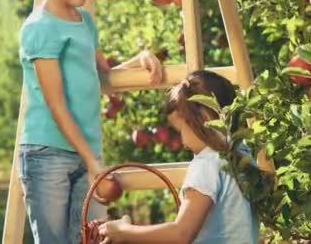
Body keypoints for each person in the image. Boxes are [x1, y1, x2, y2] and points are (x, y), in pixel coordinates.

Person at [17, 0, 164, 244]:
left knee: (90, 239)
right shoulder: (40, 28)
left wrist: (140, 58)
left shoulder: (84, 20)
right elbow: (56, 104)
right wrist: (93, 162)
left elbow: (99, 75)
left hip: (86, 154)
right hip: (48, 154)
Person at [98, 70, 260, 243]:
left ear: (203, 118)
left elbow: (181, 234)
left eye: (180, 130)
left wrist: (125, 232)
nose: (182, 141)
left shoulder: (206, 164)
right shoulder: (243, 153)